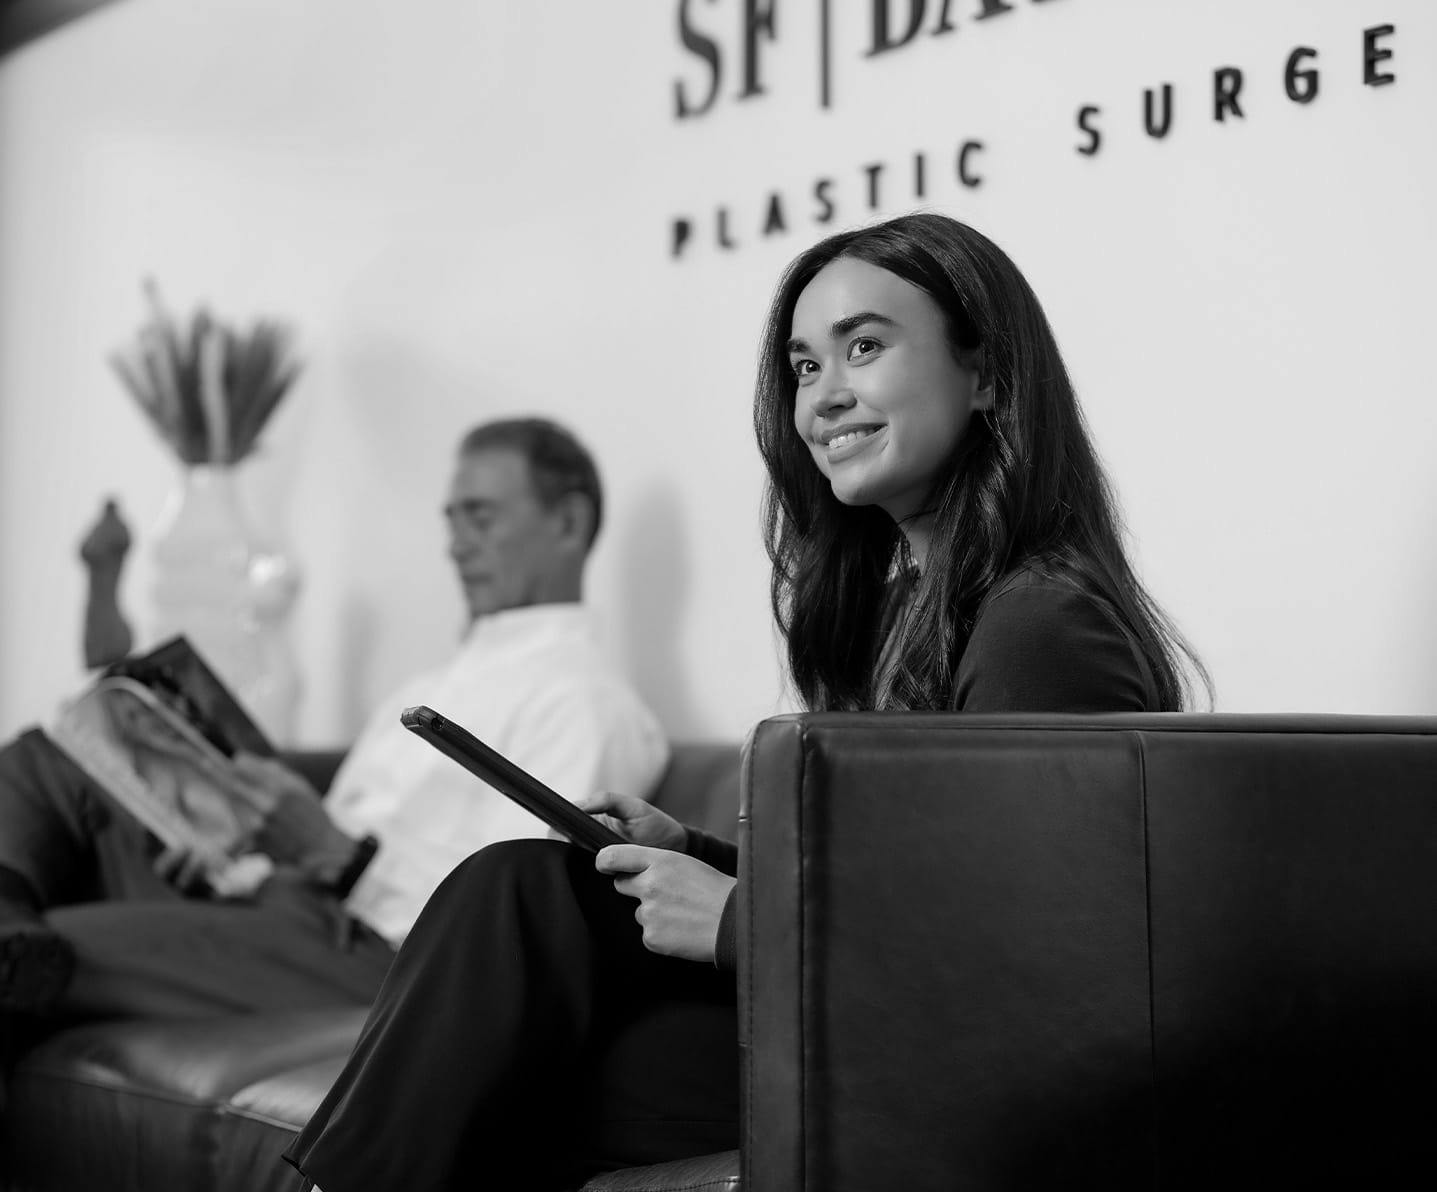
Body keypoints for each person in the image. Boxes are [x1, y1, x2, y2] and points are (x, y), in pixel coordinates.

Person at [285, 213, 1207, 1191]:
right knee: (522, 910)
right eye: (806, 367)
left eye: (864, 346)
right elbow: (905, 883)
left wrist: (734, 919)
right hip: (866, 1024)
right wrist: (698, 859)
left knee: (511, 981)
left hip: (961, 1073)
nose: (826, 397)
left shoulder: (1041, 625)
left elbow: (1031, 971)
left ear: (986, 374)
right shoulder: (908, 611)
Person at [0, 417, 669, 1022]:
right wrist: (239, 860)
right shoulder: (428, 685)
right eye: (450, 521)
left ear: (569, 523)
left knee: (43, 949)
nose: (455, 546)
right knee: (48, 760)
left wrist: (337, 855)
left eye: (481, 517)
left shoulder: (587, 703)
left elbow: (507, 918)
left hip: (375, 960)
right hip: (290, 902)